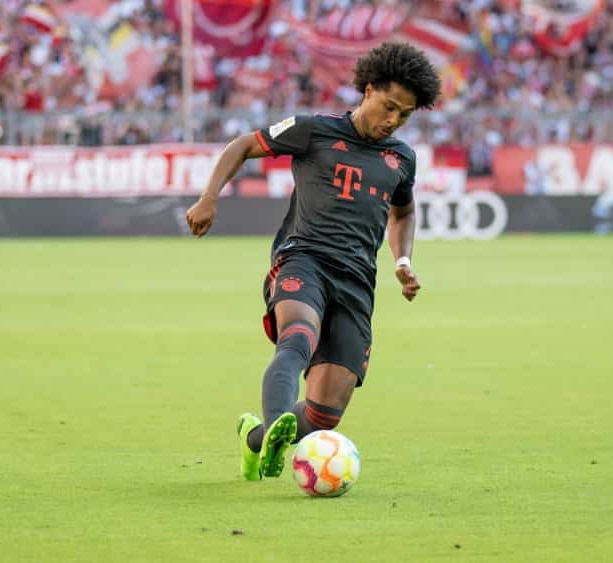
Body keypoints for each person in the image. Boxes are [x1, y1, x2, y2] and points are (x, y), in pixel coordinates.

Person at [185, 42, 441, 481]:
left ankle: (256, 437)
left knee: (325, 414)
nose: (393, 120)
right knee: (297, 339)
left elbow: (403, 212)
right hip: (303, 259)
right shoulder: (313, 130)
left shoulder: (402, 158)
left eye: (404, 115)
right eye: (389, 106)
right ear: (369, 89)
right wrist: (209, 197)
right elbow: (242, 145)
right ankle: (277, 426)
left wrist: (402, 260)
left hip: (357, 282)